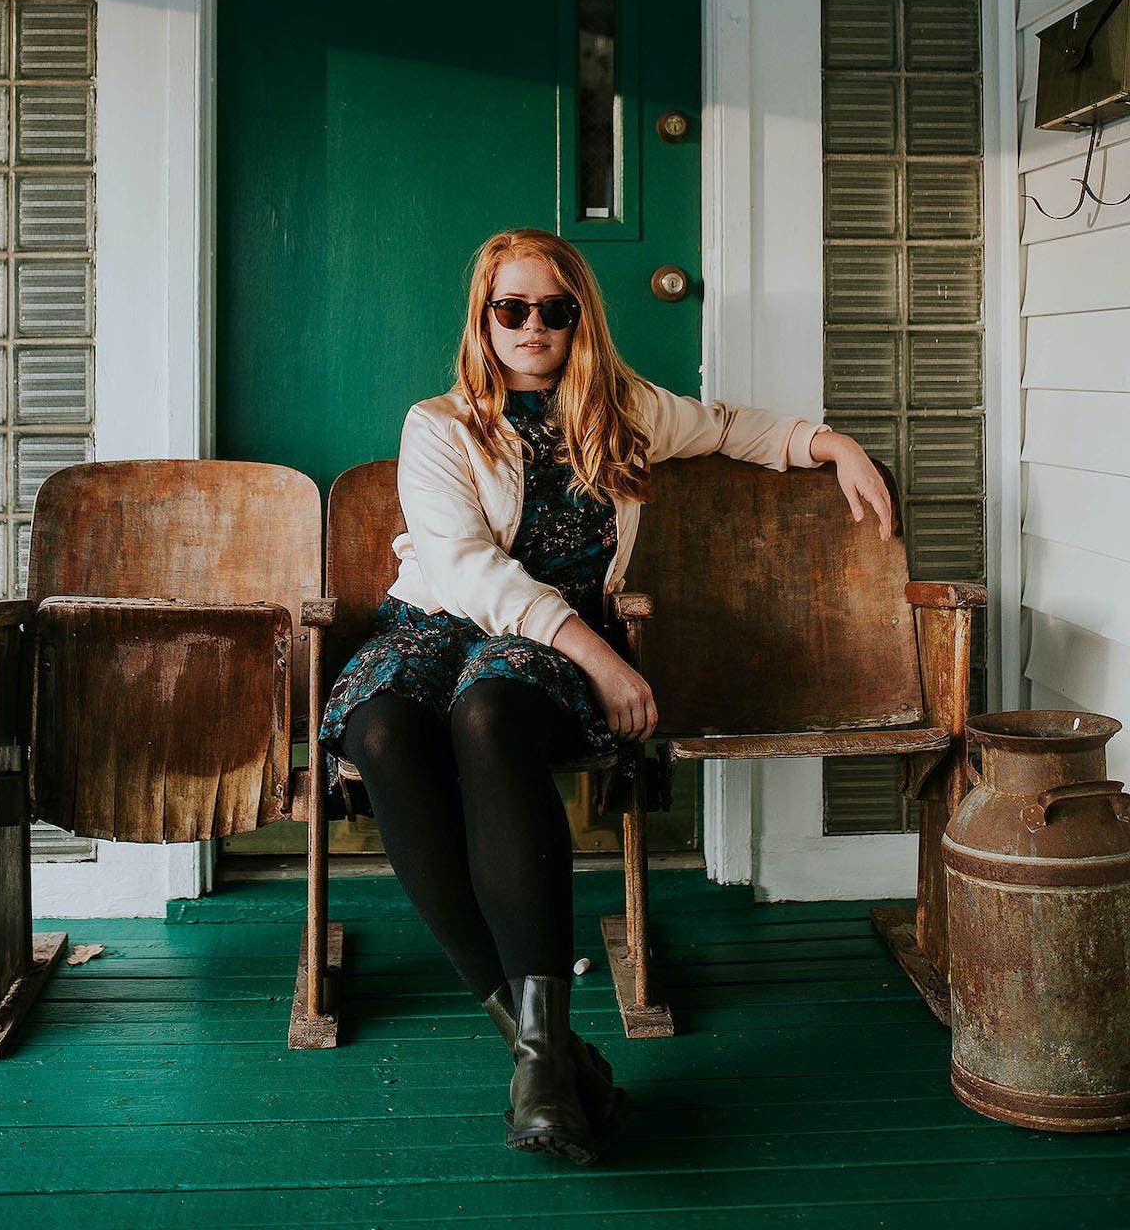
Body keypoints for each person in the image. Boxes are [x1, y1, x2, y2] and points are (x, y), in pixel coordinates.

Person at [319, 227, 892, 1167]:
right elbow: (463, 569)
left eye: (554, 308)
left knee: (489, 714)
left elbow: (730, 426)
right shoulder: (441, 424)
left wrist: (831, 445)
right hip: (439, 623)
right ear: (485, 320)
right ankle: (545, 1056)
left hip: (541, 657)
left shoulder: (624, 411)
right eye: (512, 308)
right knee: (382, 732)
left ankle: (543, 1056)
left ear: (580, 318)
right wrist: (600, 654)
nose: (532, 325)